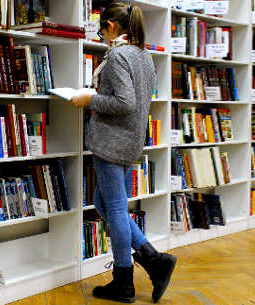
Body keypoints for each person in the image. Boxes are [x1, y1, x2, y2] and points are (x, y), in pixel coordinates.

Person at [71, 2, 176, 304]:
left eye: (102, 30)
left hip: (111, 141)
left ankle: (124, 281)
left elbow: (125, 102)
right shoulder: (143, 55)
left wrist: (89, 99)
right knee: (103, 202)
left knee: (114, 208)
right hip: (130, 140)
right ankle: (154, 259)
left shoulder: (117, 55)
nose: (101, 36)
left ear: (112, 27)